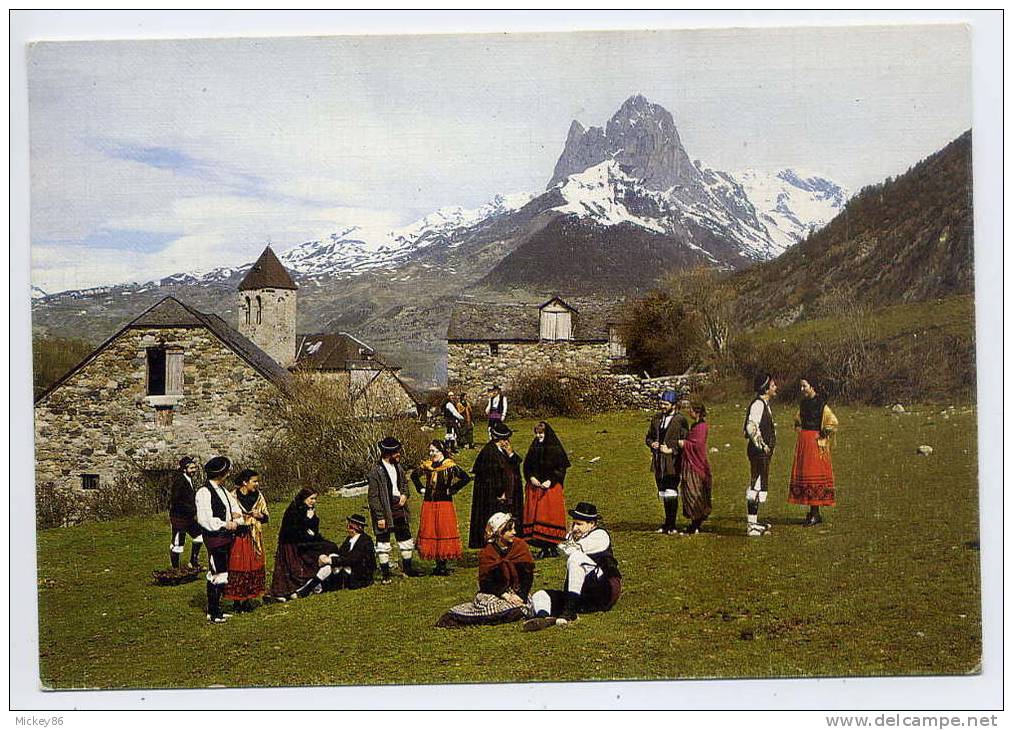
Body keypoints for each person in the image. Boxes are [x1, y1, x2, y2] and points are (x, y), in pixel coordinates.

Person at [523, 502, 622, 631]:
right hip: (581, 596)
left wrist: (559, 543)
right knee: (540, 595)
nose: (575, 528)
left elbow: (571, 550)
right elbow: (562, 546)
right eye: (574, 523)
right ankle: (544, 618)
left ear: (592, 524)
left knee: (576, 558)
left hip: (604, 591)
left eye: (579, 524)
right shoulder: (573, 536)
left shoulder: (600, 535)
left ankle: (570, 612)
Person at [436, 512, 535, 628]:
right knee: (491, 608)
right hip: (496, 593)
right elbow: (486, 582)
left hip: (517, 592)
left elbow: (527, 576)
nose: (514, 533)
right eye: (510, 530)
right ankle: (458, 616)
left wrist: (520, 595)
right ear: (499, 533)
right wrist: (505, 595)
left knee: (521, 607)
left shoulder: (520, 547)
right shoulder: (488, 552)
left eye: (514, 529)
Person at [410, 440, 471, 575]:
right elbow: (414, 475)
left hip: (444, 503)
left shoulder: (449, 466)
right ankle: (437, 564)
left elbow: (465, 478)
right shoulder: (428, 465)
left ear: (441, 451)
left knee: (444, 530)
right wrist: (420, 488)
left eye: (434, 451)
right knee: (432, 530)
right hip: (429, 503)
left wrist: (453, 489)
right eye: (430, 451)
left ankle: (443, 564)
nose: (432, 454)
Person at [366, 436, 422, 583]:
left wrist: (405, 494)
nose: (399, 454)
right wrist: (380, 517)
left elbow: (404, 482)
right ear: (388, 453)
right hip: (385, 509)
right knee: (383, 541)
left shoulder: (398, 467)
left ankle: (408, 568)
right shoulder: (375, 472)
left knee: (405, 537)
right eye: (396, 452)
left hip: (399, 507)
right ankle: (385, 574)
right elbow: (373, 497)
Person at [269, 488, 339, 600]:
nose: (313, 501)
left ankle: (318, 580)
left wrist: (311, 522)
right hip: (293, 544)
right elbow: (295, 530)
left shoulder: (309, 509)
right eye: (311, 498)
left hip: (305, 540)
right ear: (304, 498)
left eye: (315, 499)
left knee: (330, 546)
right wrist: (308, 519)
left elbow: (313, 528)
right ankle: (297, 588)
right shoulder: (294, 510)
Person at [195, 456, 242, 623]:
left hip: (225, 537)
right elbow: (205, 519)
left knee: (221, 572)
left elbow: (235, 508)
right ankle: (214, 612)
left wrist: (237, 519)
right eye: (226, 472)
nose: (228, 475)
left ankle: (215, 609)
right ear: (219, 474)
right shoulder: (204, 492)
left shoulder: (223, 490)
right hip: (215, 538)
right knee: (218, 572)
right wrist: (224, 524)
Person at [788, 378, 839, 526]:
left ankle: (815, 513)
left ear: (812, 386)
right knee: (806, 475)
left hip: (815, 442)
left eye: (804, 386)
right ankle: (813, 512)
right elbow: (797, 419)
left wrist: (824, 432)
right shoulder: (803, 404)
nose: (802, 389)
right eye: (801, 386)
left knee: (812, 476)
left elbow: (833, 421)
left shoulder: (820, 404)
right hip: (804, 441)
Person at [468, 421, 524, 549]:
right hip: (493, 497)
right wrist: (500, 492)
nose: (508, 441)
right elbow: (491, 477)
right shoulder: (489, 453)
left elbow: (515, 465)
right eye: (506, 439)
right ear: (502, 440)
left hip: (506, 495)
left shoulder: (503, 451)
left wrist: (511, 454)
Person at [296, 514, 377, 596]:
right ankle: (307, 588)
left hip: (360, 575)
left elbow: (353, 559)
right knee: (330, 562)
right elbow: (341, 554)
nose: (348, 527)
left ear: (358, 527)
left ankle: (307, 589)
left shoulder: (365, 541)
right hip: (348, 570)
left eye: (351, 525)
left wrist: (330, 560)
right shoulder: (349, 539)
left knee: (330, 564)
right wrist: (327, 557)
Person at [522, 421, 570, 558]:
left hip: (551, 489)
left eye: (541, 433)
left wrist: (551, 480)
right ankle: (543, 547)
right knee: (536, 516)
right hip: (536, 488)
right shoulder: (534, 447)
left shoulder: (555, 448)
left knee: (550, 516)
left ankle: (553, 545)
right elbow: (527, 466)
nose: (538, 436)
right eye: (536, 433)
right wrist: (531, 477)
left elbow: (561, 468)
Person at [223, 469, 269, 612]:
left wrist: (259, 515)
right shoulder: (232, 497)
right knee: (238, 565)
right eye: (254, 481)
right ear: (245, 482)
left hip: (253, 535)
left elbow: (266, 516)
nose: (257, 484)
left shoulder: (258, 496)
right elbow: (227, 516)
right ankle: (237, 600)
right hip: (238, 536)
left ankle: (249, 598)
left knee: (253, 564)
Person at [645, 389, 689, 534]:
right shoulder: (657, 418)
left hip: (672, 462)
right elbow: (649, 437)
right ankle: (667, 522)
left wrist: (672, 450)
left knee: (671, 491)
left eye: (666, 404)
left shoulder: (680, 420)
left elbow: (686, 441)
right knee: (663, 491)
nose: (663, 406)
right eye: (662, 403)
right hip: (658, 462)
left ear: (674, 404)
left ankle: (672, 524)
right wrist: (652, 444)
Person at [744, 372, 778, 536]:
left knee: (759, 483)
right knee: (756, 485)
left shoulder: (764, 403)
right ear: (766, 389)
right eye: (772, 386)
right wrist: (762, 445)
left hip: (762, 453)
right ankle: (751, 526)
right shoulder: (758, 405)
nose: (775, 388)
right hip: (758, 453)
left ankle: (754, 522)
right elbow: (751, 427)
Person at [677, 402, 713, 535]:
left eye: (691, 410)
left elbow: (697, 445)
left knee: (694, 492)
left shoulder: (702, 427)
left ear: (696, 412)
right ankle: (695, 523)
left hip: (696, 464)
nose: (689, 412)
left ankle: (696, 523)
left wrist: (684, 444)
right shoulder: (695, 425)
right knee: (689, 491)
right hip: (689, 462)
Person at [168, 456, 203, 569]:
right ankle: (175, 569)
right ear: (184, 469)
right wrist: (192, 510)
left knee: (199, 536)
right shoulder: (180, 481)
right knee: (178, 543)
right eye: (191, 468)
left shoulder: (188, 479)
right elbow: (176, 500)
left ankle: (193, 562)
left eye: (194, 468)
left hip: (188, 518)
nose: (194, 470)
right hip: (179, 518)